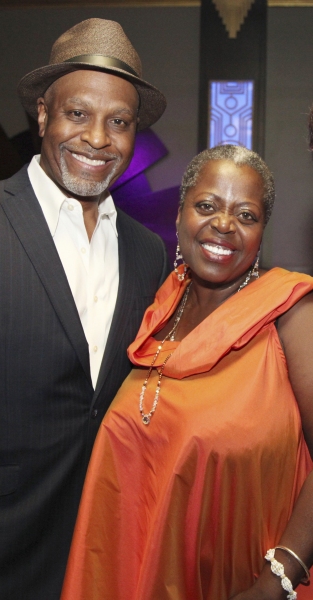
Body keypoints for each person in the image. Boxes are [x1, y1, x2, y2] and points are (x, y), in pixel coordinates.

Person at [0, 18, 169, 600]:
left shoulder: (147, 251)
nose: (97, 138)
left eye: (119, 122)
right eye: (77, 114)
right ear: (43, 115)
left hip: (104, 554)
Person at [61, 144, 313, 600]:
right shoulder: (159, 303)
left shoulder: (291, 313)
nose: (224, 224)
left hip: (236, 581)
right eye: (206, 206)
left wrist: (280, 576)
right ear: (179, 217)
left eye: (246, 215)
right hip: (128, 570)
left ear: (261, 234)